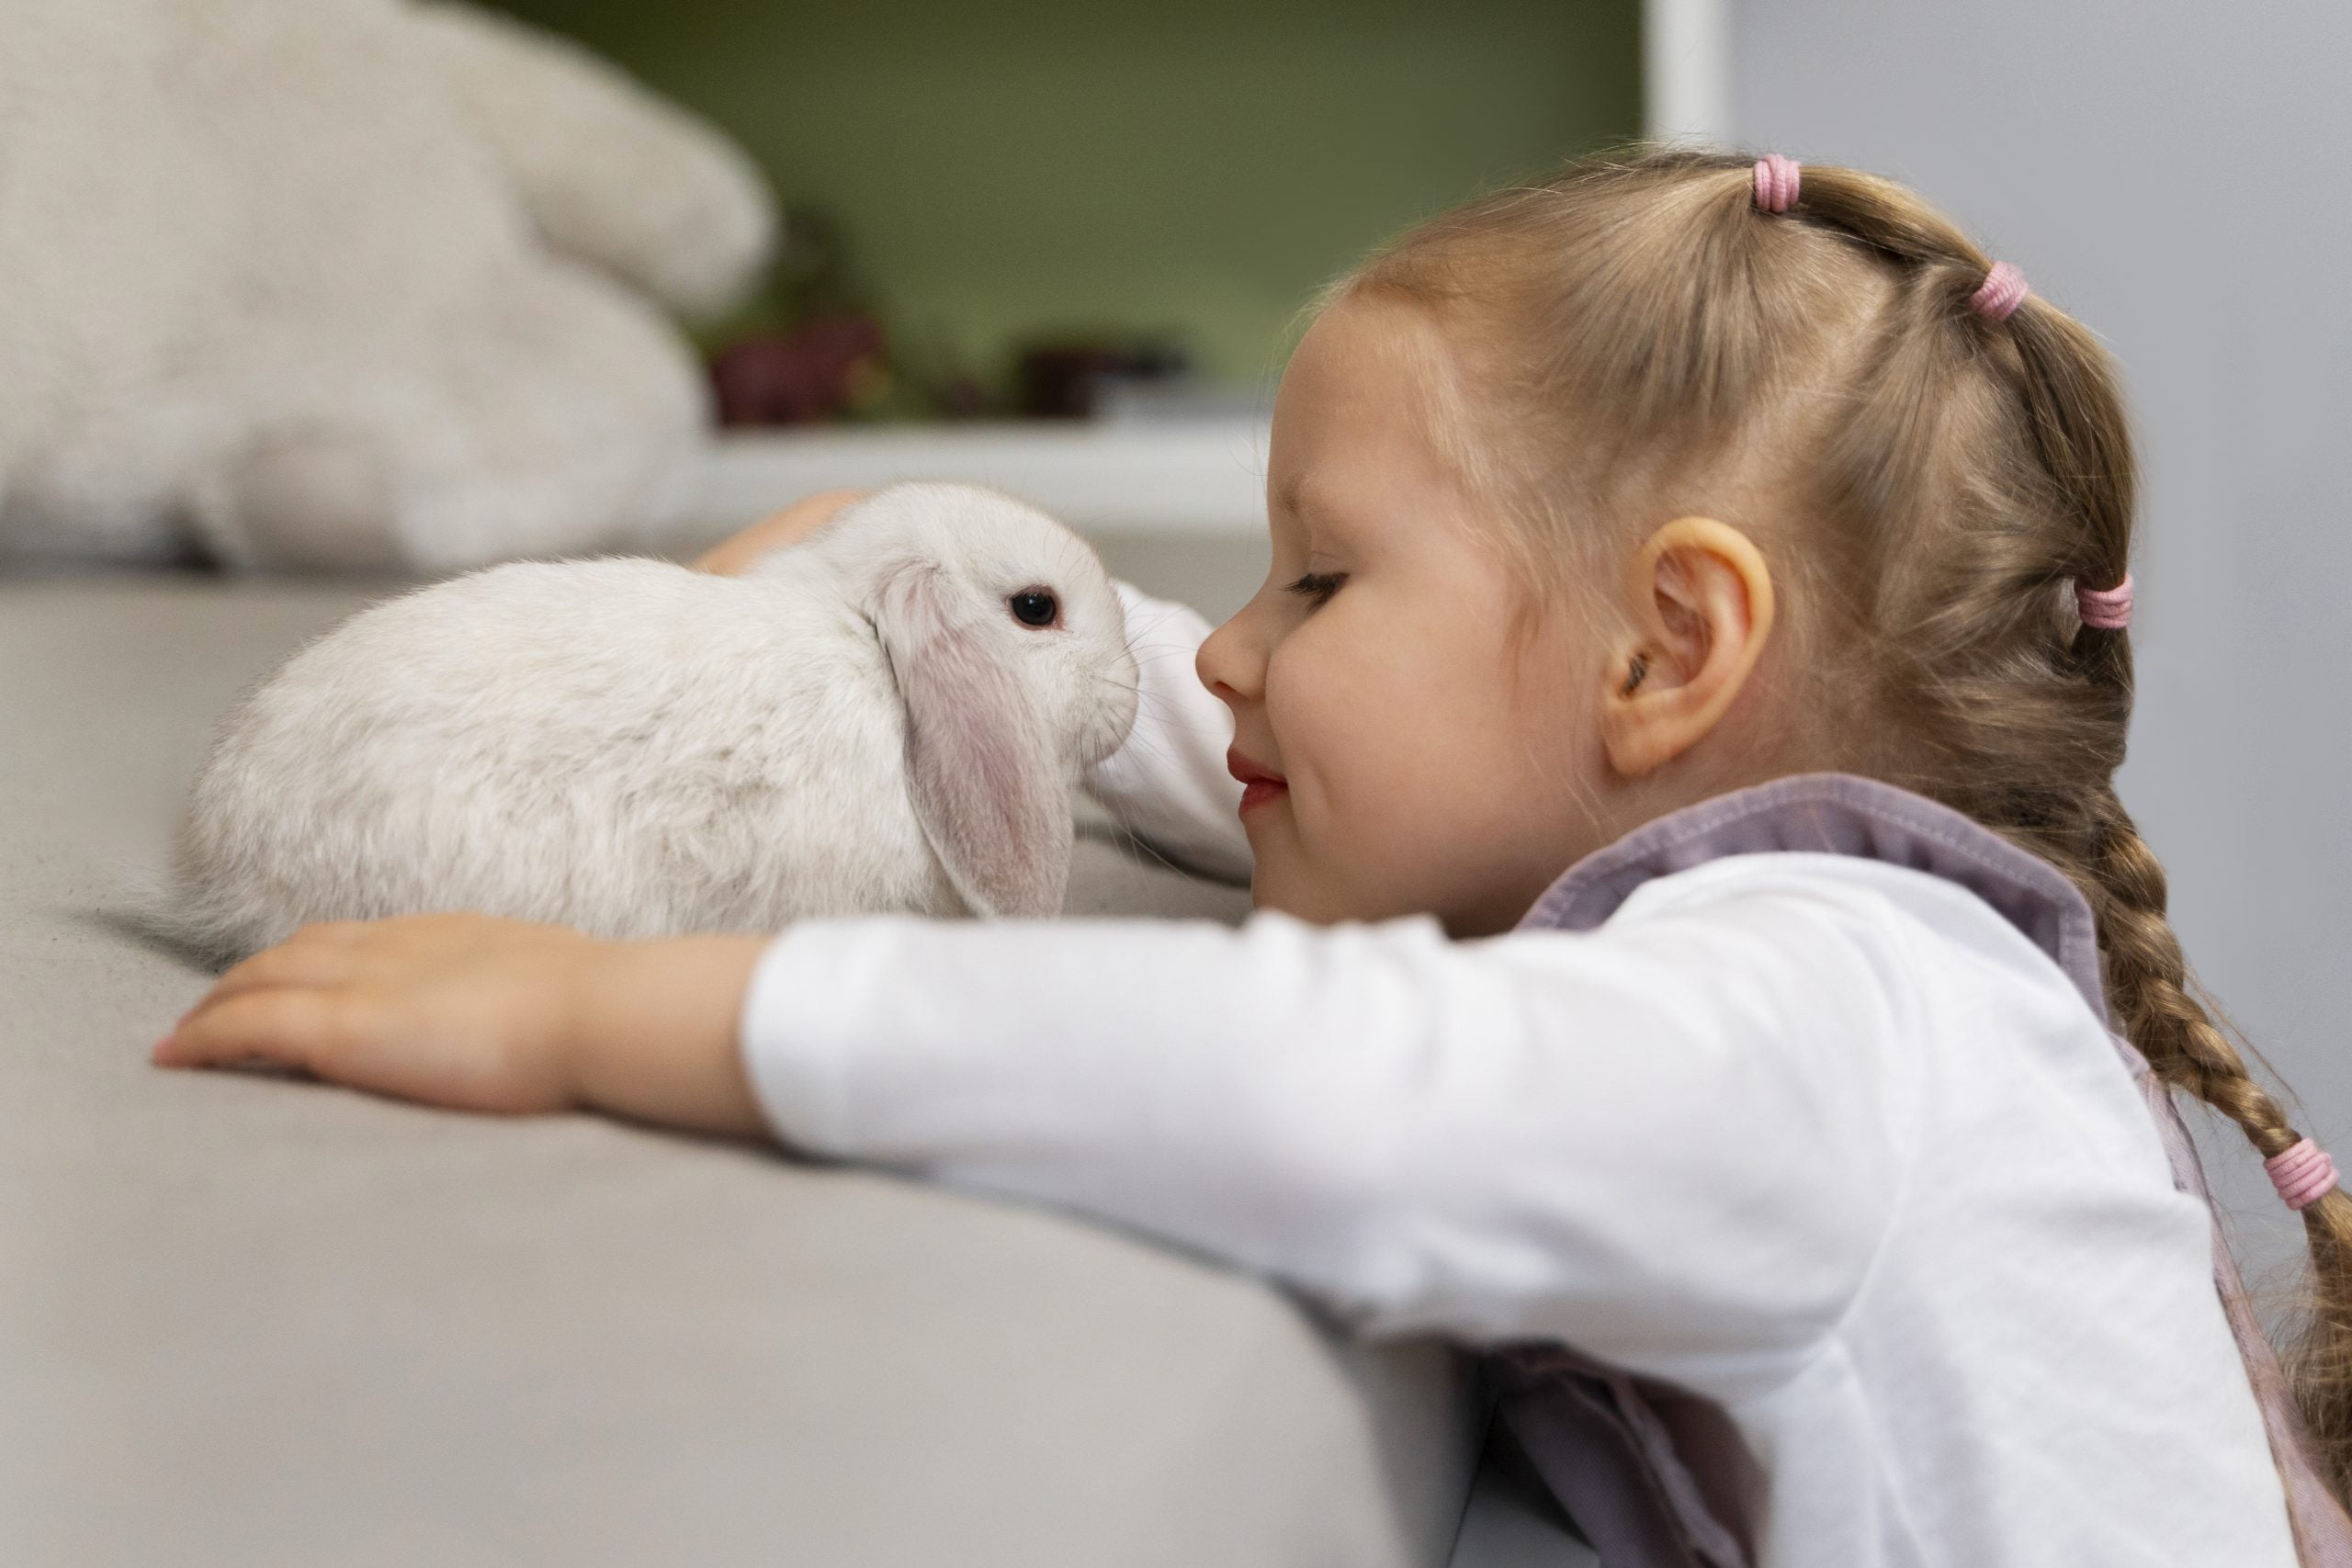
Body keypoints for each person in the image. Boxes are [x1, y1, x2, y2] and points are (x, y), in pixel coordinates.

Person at [152, 149, 2352, 1564]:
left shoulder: (1828, 1006)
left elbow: (1332, 1077)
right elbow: (1249, 747)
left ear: (1668, 648)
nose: (1231, 643)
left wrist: (609, 1008)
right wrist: (845, 600)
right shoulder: (1750, 912)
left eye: (1317, 577)